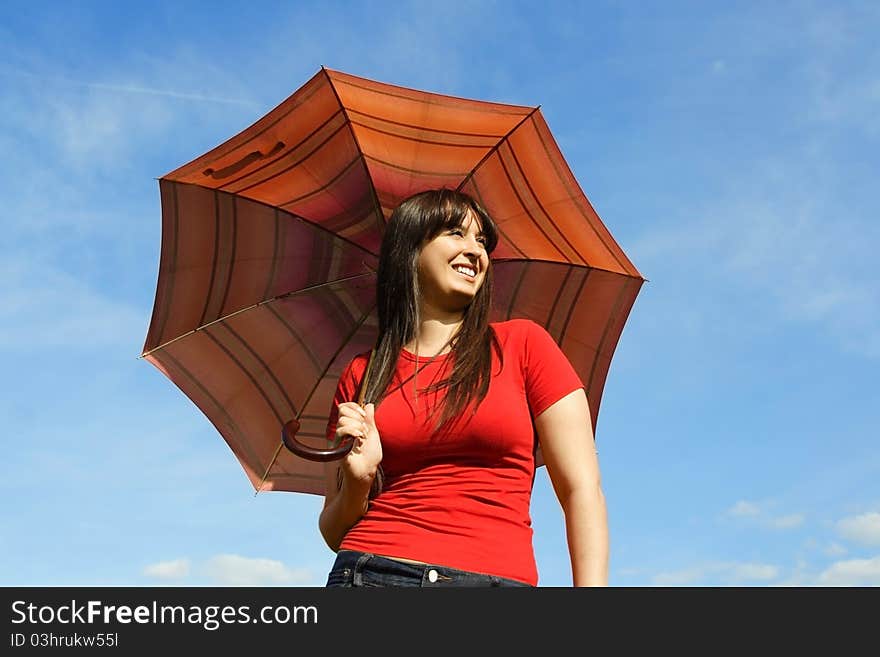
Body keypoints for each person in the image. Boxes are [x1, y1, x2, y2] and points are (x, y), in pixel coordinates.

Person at [319, 188, 608, 587]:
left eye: (482, 240)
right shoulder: (364, 373)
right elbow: (334, 532)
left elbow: (581, 490)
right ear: (411, 250)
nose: (476, 251)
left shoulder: (524, 346)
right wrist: (359, 480)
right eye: (456, 233)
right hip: (370, 573)